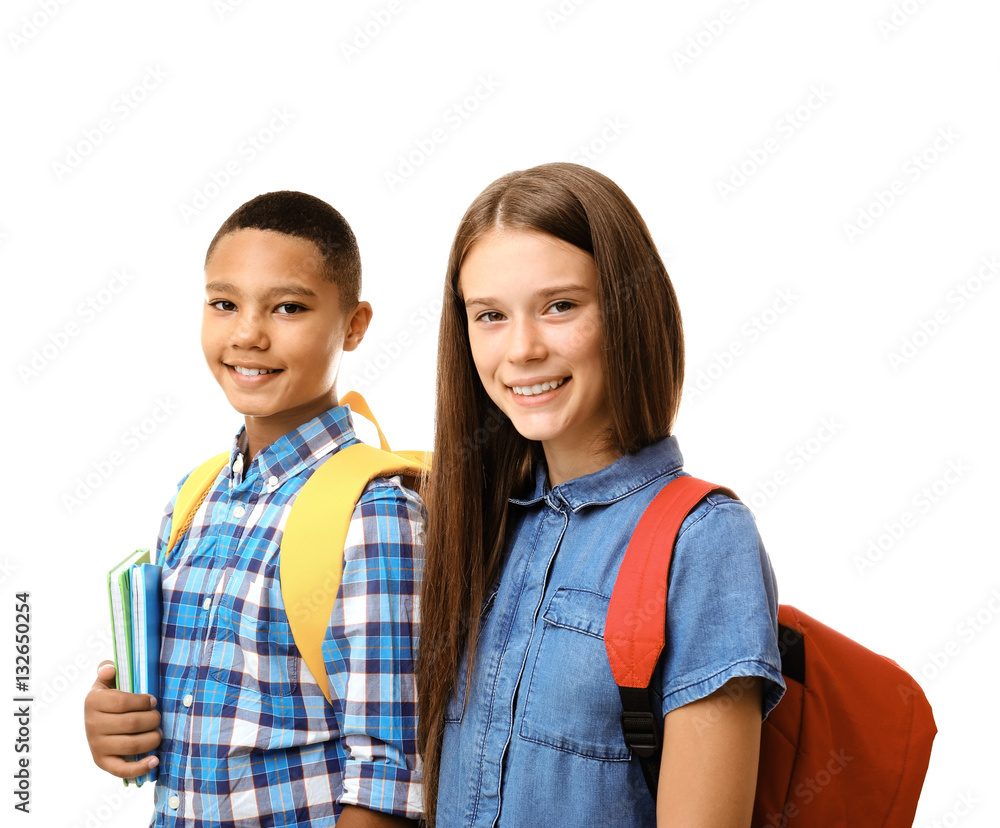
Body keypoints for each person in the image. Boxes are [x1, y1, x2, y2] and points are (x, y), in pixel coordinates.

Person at [417, 162, 785, 827]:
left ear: (626, 309)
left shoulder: (703, 540)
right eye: (491, 315)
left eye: (560, 306)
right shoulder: (468, 524)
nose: (522, 349)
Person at [83, 191, 424, 827]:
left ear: (353, 325)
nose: (247, 333)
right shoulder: (195, 496)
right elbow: (189, 701)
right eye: (224, 303)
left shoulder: (375, 511)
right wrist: (115, 722)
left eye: (288, 307)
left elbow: (390, 777)